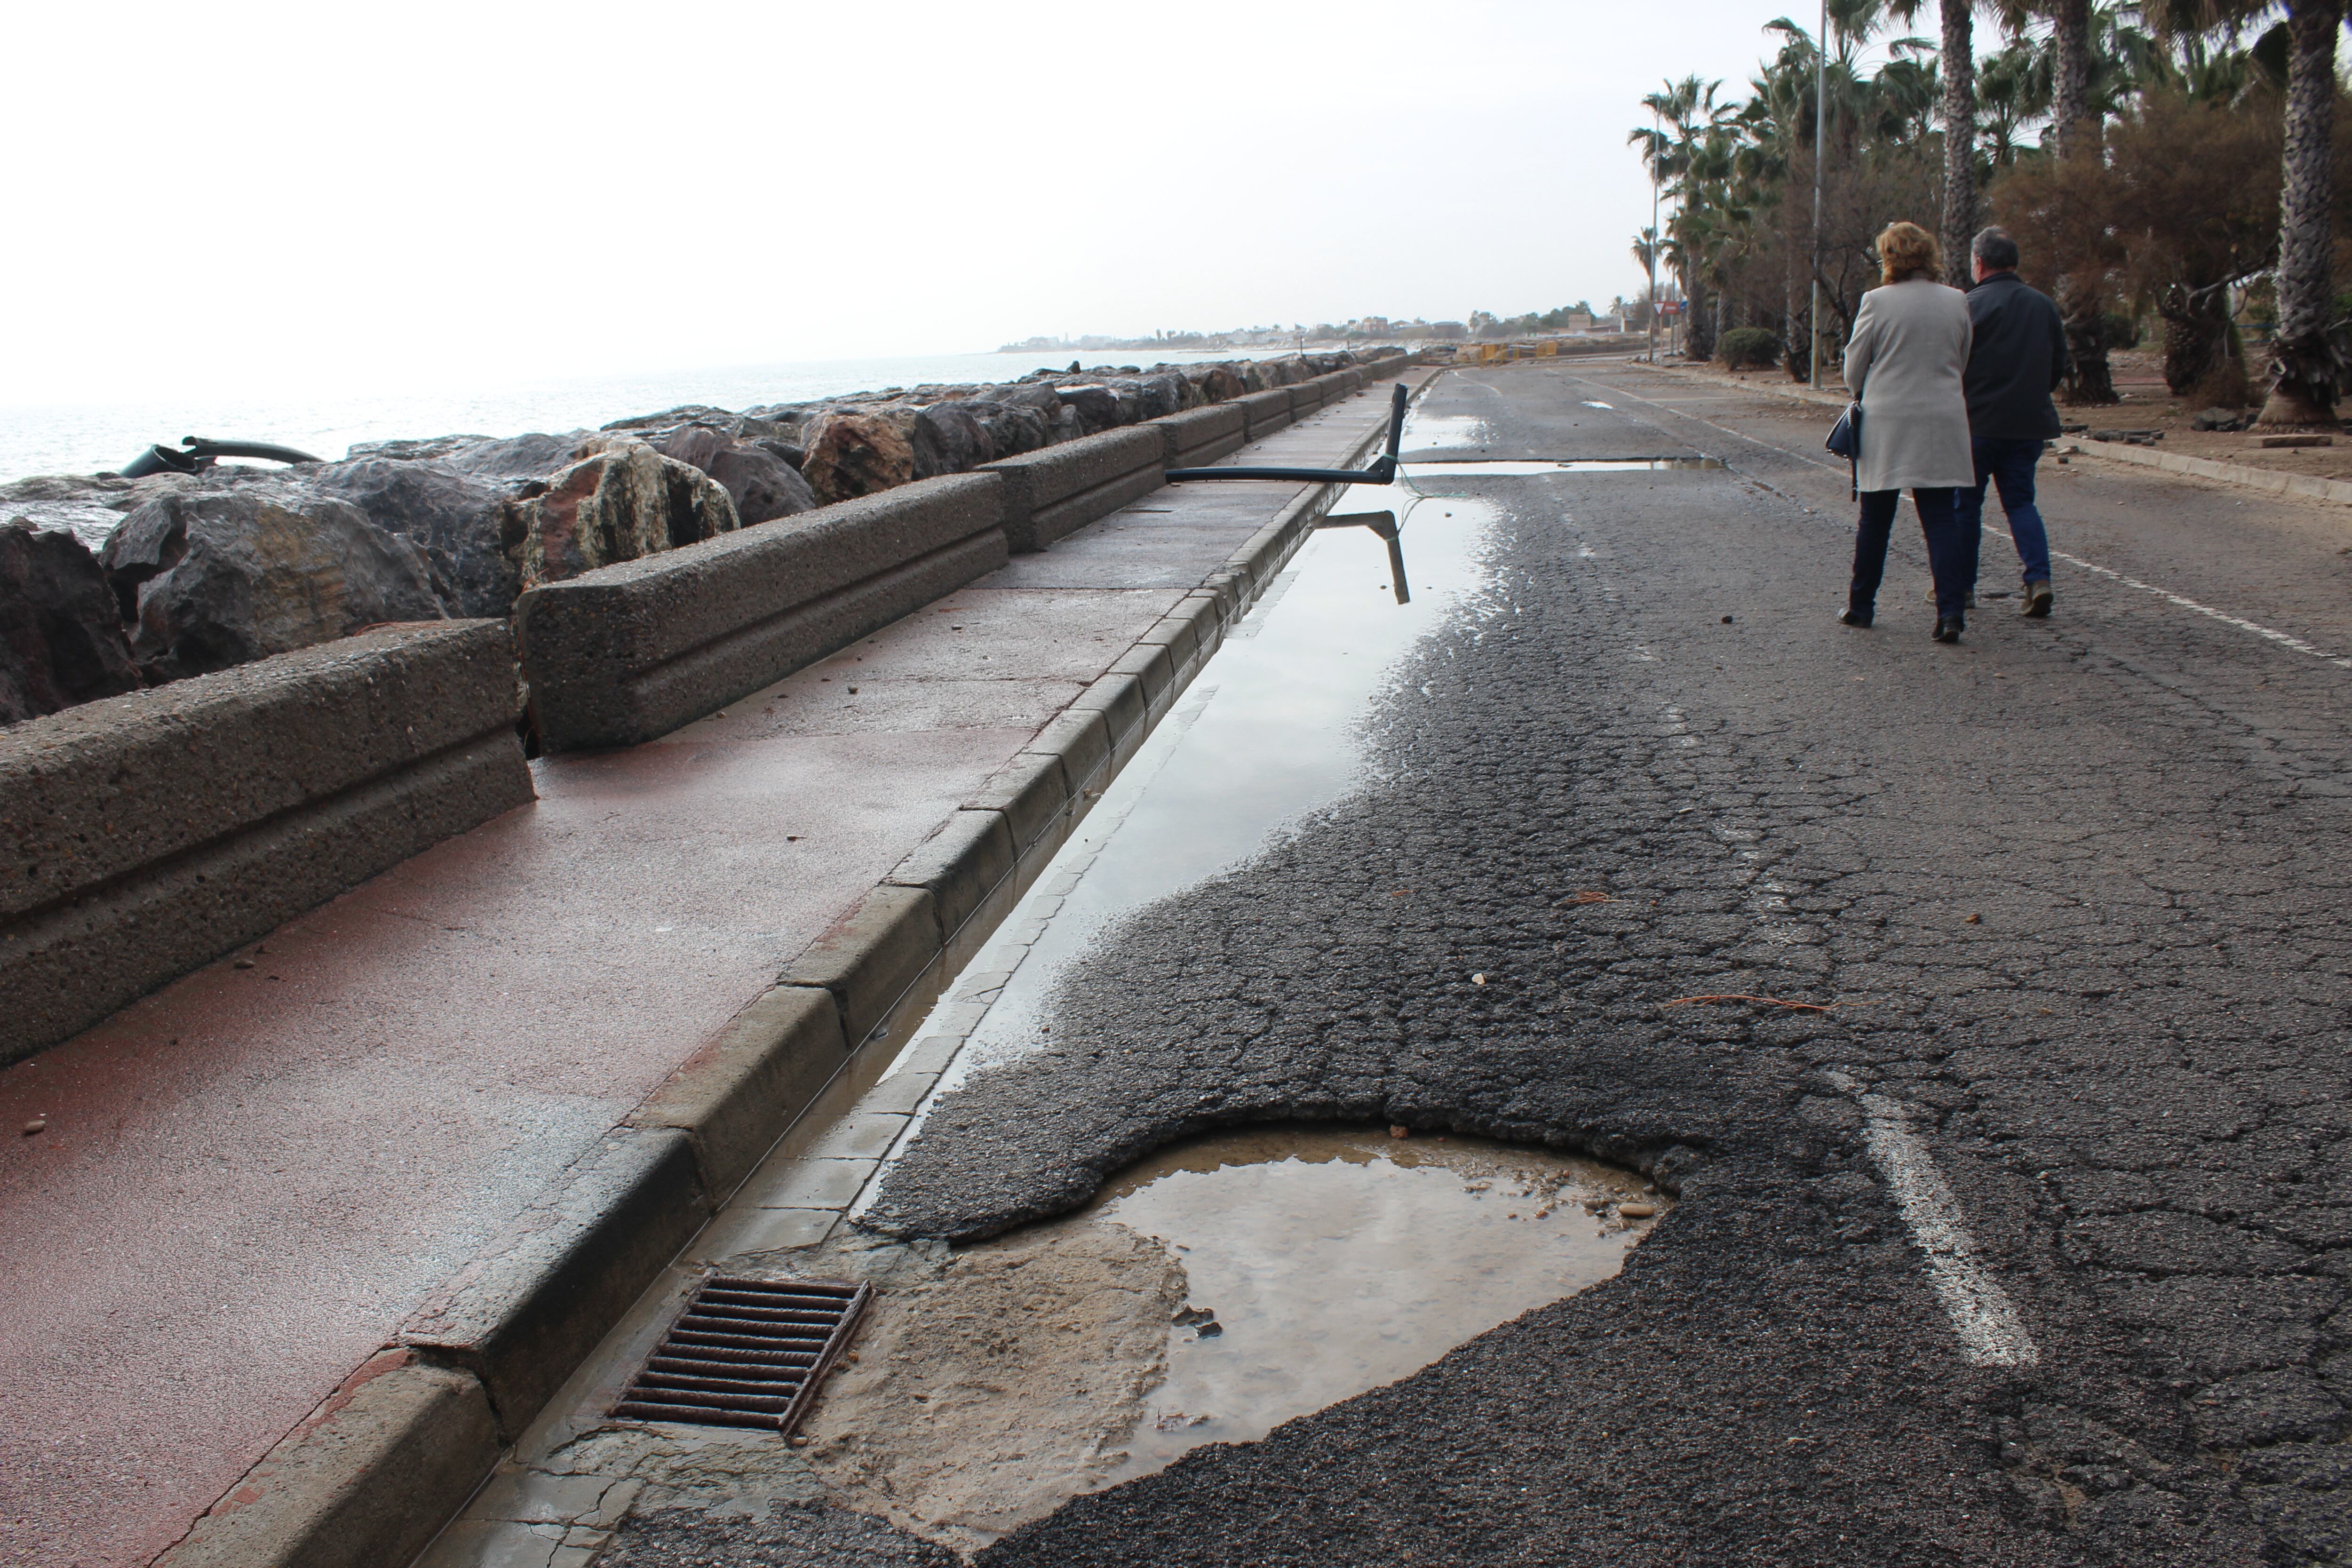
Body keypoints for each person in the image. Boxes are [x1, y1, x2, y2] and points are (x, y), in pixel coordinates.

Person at [1838, 221, 1979, 642]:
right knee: (1941, 518)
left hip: (1889, 422)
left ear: (1890, 259)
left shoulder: (1876, 302)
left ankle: (1862, 606)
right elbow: (1963, 356)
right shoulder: (1957, 301)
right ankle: (1951, 612)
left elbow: (1853, 369)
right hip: (1943, 418)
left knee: (1875, 519)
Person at [1957, 225, 2069, 617]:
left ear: (1980, 263)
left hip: (1976, 424)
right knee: (2021, 503)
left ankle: (1961, 588)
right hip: (2028, 423)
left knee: (1966, 506)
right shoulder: (2043, 305)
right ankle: (2038, 579)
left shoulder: (1968, 305)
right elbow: (2059, 364)